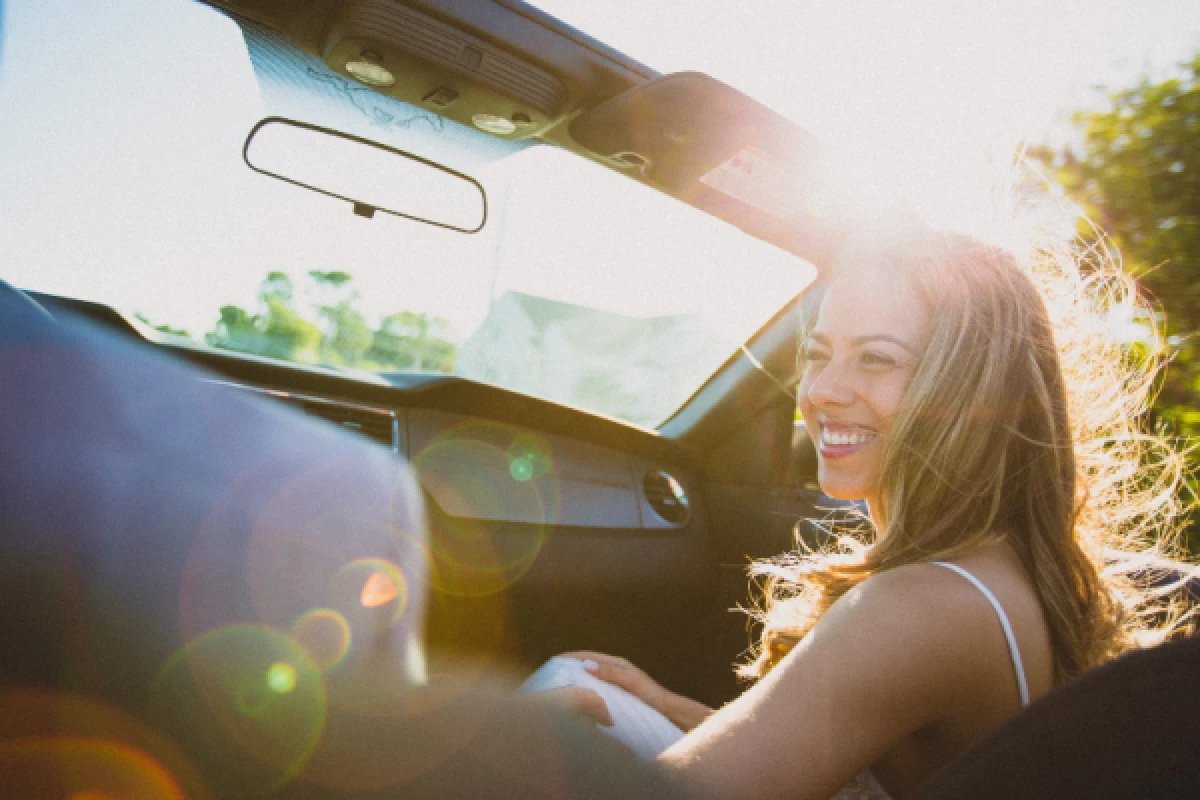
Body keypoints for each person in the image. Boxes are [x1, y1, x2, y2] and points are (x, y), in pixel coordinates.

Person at [529, 227, 1196, 799]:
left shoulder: (920, 605)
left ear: (970, 394)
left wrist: (490, 755)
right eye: (818, 355)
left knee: (551, 700)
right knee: (587, 683)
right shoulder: (998, 565)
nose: (823, 390)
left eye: (876, 359)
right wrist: (679, 712)